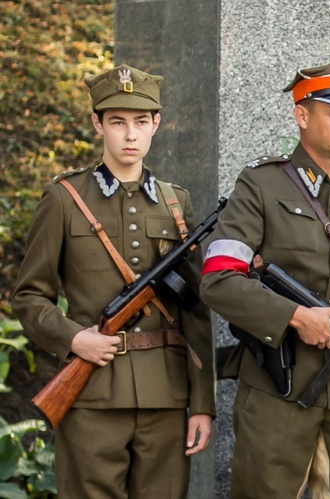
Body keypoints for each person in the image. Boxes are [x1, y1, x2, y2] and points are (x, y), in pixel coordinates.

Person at [199, 57, 330, 499]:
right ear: (302, 115)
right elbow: (218, 279)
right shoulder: (260, 186)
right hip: (279, 387)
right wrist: (294, 315)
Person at [11, 64, 215, 497]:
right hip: (91, 396)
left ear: (156, 125)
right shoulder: (65, 200)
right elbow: (30, 297)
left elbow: (195, 311)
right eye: (117, 122)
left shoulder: (178, 204)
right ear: (97, 124)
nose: (130, 135)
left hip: (165, 395)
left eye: (141, 122)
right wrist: (73, 339)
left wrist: (202, 404)